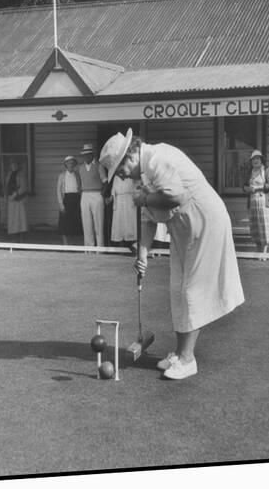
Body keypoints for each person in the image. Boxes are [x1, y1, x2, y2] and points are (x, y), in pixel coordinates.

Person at [99, 129, 244, 380]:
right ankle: (179, 353)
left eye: (119, 171)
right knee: (178, 288)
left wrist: (145, 199)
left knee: (192, 290)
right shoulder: (142, 175)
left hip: (206, 223)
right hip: (185, 230)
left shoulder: (156, 159)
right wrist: (142, 255)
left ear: (129, 159)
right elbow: (148, 219)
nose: (120, 177)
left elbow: (178, 195)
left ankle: (188, 360)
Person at [243, 149, 269, 259]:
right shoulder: (249, 172)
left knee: (264, 225)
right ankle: (258, 250)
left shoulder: (266, 170)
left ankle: (265, 252)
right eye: (253, 159)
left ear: (261, 160)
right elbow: (243, 187)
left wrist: (258, 187)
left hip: (263, 202)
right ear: (251, 161)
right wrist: (249, 189)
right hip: (252, 202)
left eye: (257, 158)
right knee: (255, 226)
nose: (255, 161)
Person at [78, 143, 108, 247]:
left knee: (98, 223)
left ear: (92, 155)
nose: (86, 157)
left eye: (89, 154)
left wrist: (102, 194)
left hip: (96, 194)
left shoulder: (99, 166)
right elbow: (80, 183)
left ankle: (100, 248)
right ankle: (89, 249)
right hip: (85, 195)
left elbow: (105, 182)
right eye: (85, 155)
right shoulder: (80, 168)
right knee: (86, 223)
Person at [57, 156, 83, 245]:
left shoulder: (77, 175)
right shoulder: (62, 175)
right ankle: (66, 243)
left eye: (72, 163)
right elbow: (58, 190)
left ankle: (75, 244)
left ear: (75, 165)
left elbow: (80, 188)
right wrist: (61, 204)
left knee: (75, 221)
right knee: (65, 222)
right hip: (66, 199)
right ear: (65, 165)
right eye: (68, 163)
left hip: (76, 199)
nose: (70, 165)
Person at [109, 175, 137, 247]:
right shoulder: (116, 177)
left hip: (129, 200)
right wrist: (110, 198)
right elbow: (113, 191)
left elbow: (136, 189)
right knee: (119, 223)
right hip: (119, 201)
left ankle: (132, 245)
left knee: (130, 223)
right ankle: (121, 246)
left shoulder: (132, 176)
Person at [5, 157, 28, 241]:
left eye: (15, 164)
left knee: (21, 220)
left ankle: (21, 240)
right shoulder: (9, 174)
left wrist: (15, 194)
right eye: (12, 164)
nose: (13, 166)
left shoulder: (21, 174)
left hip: (19, 199)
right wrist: (7, 196)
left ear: (18, 165)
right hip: (11, 200)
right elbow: (6, 186)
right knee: (13, 220)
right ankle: (13, 239)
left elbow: (24, 186)